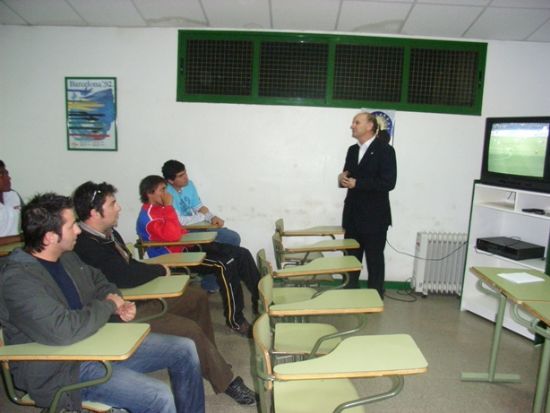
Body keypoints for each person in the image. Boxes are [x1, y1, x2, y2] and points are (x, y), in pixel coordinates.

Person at [0, 193, 204, 413]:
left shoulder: (66, 256)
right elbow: (63, 330)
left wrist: (117, 301)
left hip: (95, 342)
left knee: (184, 349)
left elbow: (101, 281)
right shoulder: (17, 280)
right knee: (158, 396)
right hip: (62, 368)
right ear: (50, 237)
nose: (78, 230)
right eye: (71, 226)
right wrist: (109, 306)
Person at [72, 181, 256, 405]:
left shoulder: (108, 233)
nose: (119, 207)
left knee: (196, 296)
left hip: (136, 293)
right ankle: (225, 380)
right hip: (121, 311)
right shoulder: (85, 244)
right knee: (189, 330)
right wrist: (159, 269)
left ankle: (208, 359)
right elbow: (125, 275)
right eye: (113, 204)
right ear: (94, 213)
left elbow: (131, 265)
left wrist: (151, 271)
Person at [136, 175, 260, 337]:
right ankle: (235, 321)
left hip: (185, 246)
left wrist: (170, 211)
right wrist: (169, 207)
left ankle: (260, 298)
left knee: (242, 253)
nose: (167, 194)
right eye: (162, 190)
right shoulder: (149, 216)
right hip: (174, 257)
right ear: (149, 193)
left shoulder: (160, 209)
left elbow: (179, 231)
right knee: (225, 264)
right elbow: (173, 235)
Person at [338, 111, 397, 297]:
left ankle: (375, 297)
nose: (352, 126)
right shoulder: (352, 150)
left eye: (357, 122)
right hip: (353, 216)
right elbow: (347, 175)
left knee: (374, 261)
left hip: (375, 218)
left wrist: (359, 183)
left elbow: (389, 183)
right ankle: (349, 294)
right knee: (350, 260)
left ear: (370, 126)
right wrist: (342, 178)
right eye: (353, 122)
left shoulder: (385, 150)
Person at [162, 160, 241, 247]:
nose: (186, 177)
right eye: (181, 176)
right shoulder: (166, 193)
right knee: (232, 238)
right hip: (182, 231)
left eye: (185, 173)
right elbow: (180, 222)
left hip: (195, 225)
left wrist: (212, 217)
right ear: (170, 181)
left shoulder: (189, 185)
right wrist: (202, 216)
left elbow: (199, 207)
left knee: (233, 237)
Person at [0, 160, 22, 236]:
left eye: (6, 173)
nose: (8, 178)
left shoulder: (13, 195)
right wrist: (20, 239)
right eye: (1, 175)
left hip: (15, 246)